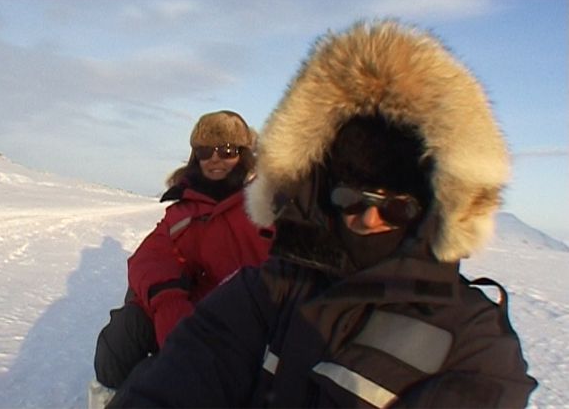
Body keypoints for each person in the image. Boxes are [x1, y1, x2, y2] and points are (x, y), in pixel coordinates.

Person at [108, 20, 538, 407]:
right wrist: (167, 298)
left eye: (396, 207)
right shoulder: (270, 287)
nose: (369, 219)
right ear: (323, 190)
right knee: (119, 350)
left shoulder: (474, 344)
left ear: (433, 207)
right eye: (351, 197)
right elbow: (189, 353)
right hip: (203, 316)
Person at [90, 110, 273, 405]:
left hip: (245, 328)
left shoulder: (265, 206)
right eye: (205, 150)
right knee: (125, 328)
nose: (215, 158)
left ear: (244, 154)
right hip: (187, 318)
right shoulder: (182, 211)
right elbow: (149, 257)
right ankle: (106, 399)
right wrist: (169, 302)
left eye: (226, 150)